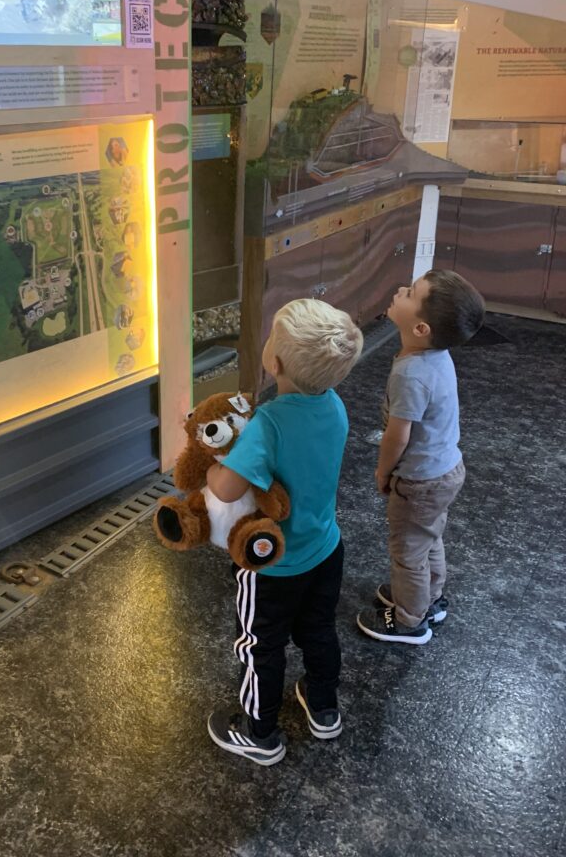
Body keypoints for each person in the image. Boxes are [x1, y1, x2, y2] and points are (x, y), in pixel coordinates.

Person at [206, 299, 363, 765]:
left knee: (260, 645)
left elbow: (229, 488)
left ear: (272, 362)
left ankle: (259, 732)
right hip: (324, 549)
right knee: (318, 630)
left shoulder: (269, 422)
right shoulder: (334, 407)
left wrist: (211, 468)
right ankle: (323, 708)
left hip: (273, 564)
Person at [357, 269, 485, 646]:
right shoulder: (435, 355)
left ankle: (410, 620)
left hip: (420, 481)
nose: (400, 291)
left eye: (410, 294)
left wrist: (384, 471)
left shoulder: (411, 373)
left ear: (421, 329)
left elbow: (398, 436)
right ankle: (430, 598)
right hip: (446, 470)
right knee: (428, 537)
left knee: (407, 551)